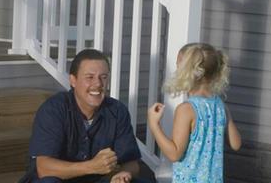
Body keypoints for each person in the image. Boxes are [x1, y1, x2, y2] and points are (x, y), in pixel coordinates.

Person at [22, 50, 153, 183]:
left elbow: (131, 162)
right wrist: (92, 166)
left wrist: (122, 175)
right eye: (89, 77)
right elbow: (44, 169)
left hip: (100, 180)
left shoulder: (117, 110)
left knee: (144, 179)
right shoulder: (54, 110)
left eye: (103, 77)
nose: (98, 84)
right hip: (59, 180)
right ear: (73, 80)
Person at [147, 43, 243, 183]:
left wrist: (154, 125)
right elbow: (236, 144)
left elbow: (174, 154)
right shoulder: (220, 105)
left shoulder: (186, 110)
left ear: (187, 72)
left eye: (178, 66)